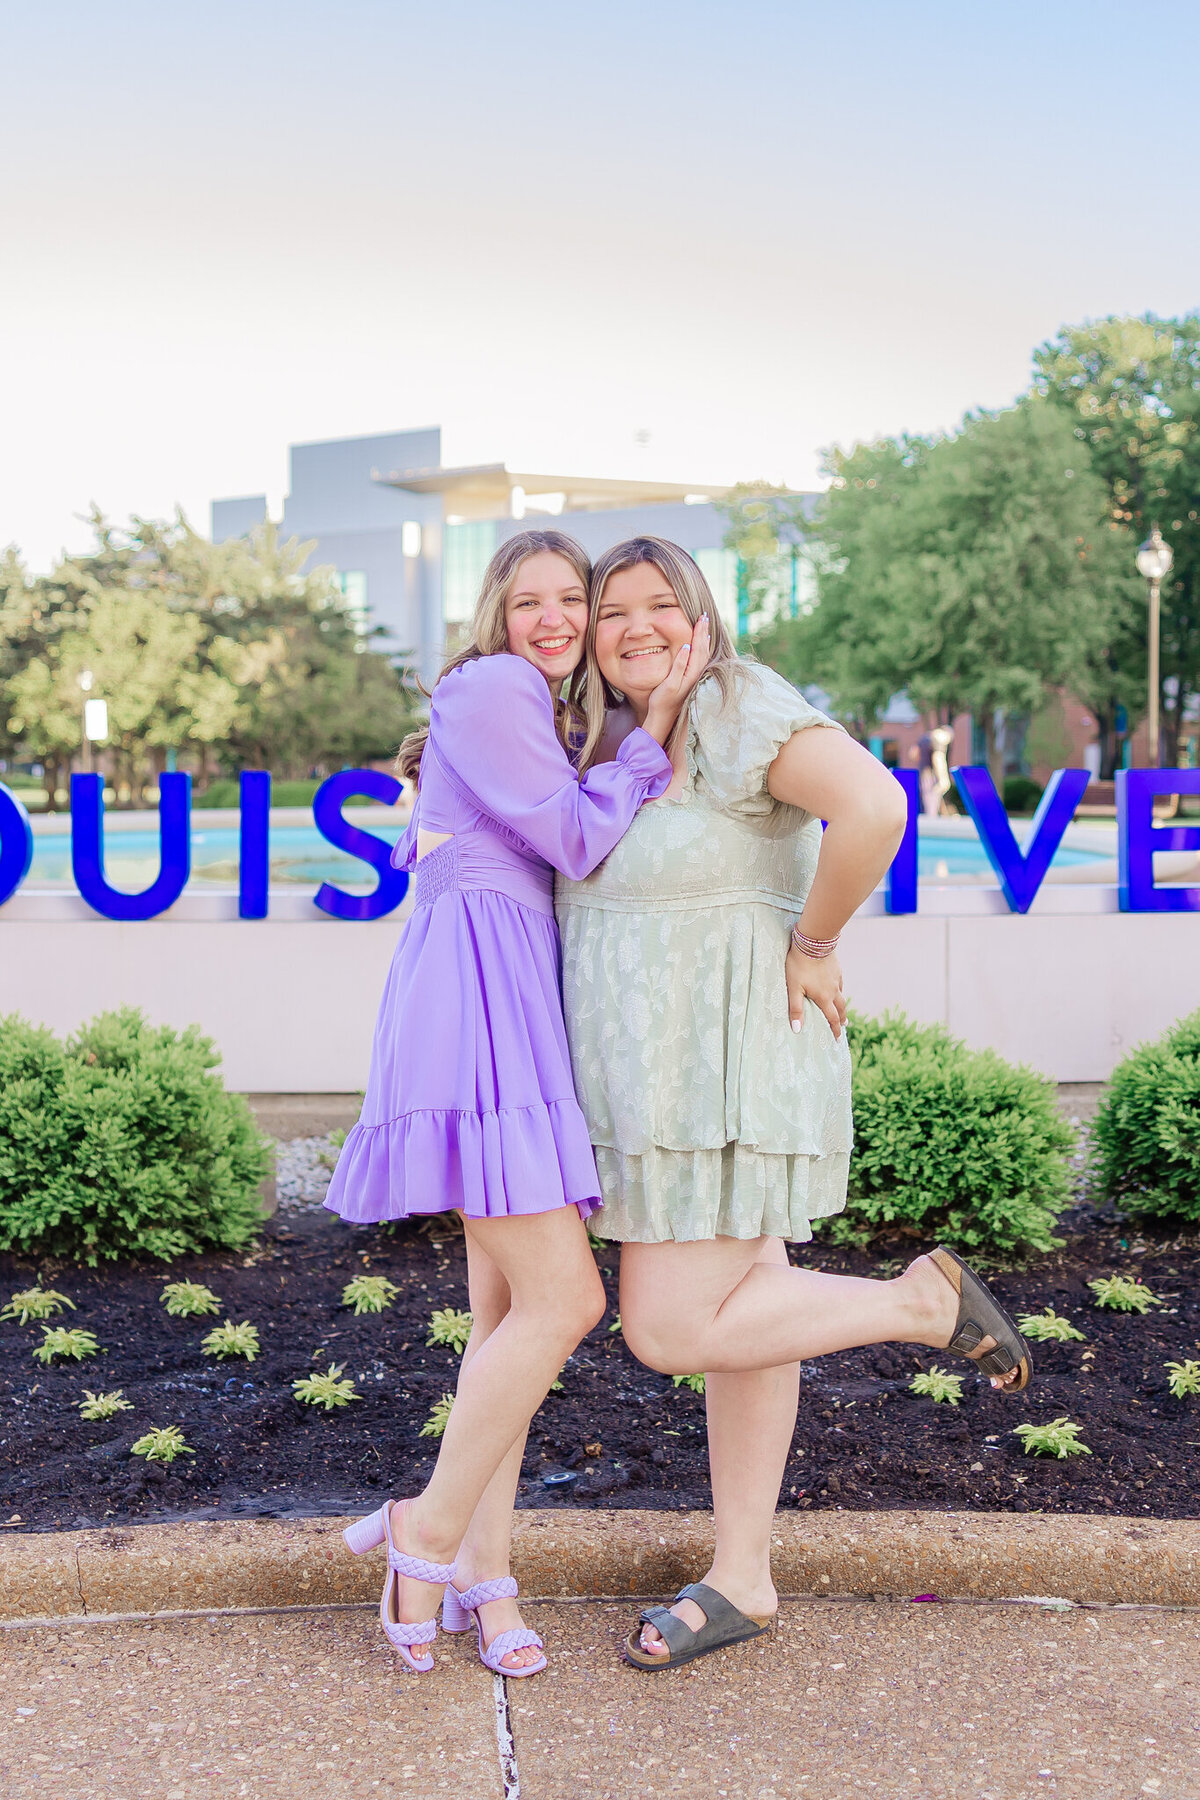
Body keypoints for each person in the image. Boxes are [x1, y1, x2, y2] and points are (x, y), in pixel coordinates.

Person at [557, 536, 1032, 1671]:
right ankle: (744, 1575)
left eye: (659, 604)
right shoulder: (631, 733)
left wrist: (814, 941)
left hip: (720, 1073)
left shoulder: (732, 702)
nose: (635, 626)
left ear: (701, 612)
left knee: (669, 1329)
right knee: (749, 1321)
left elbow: (873, 808)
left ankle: (923, 1307)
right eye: (610, 608)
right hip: (668, 1077)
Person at [326, 528, 710, 1675]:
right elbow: (578, 839)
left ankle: (486, 1582)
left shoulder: (531, 709)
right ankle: (426, 1530)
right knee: (566, 1301)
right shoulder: (493, 685)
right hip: (477, 1004)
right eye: (531, 598)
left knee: (507, 1327)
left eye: (571, 601)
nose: (554, 618)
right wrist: (654, 740)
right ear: (498, 612)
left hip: (502, 996)